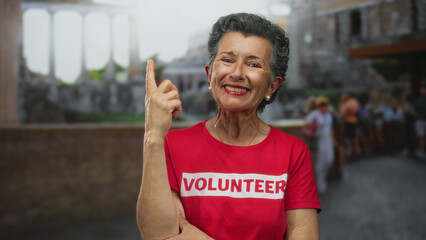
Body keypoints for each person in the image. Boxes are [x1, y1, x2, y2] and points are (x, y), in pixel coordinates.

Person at [137, 13, 321, 240]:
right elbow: (157, 235)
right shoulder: (173, 145)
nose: (236, 73)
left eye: (253, 64)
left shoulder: (293, 152)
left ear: (272, 86)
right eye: (227, 60)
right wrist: (153, 135)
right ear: (209, 74)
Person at [305, 96, 334, 193]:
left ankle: (323, 176)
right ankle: (320, 180)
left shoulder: (329, 115)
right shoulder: (315, 114)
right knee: (320, 160)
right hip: (320, 139)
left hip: (328, 139)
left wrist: (333, 140)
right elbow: (307, 123)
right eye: (322, 105)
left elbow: (330, 128)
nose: (324, 107)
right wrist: (315, 126)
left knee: (330, 159)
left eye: (325, 105)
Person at [339, 93, 360, 157]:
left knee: (352, 137)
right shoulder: (347, 102)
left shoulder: (351, 102)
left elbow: (345, 111)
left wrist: (344, 114)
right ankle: (353, 150)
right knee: (349, 137)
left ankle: (354, 150)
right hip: (348, 122)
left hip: (350, 122)